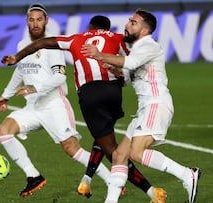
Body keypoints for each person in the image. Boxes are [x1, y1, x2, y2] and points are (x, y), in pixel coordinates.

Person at [2, 15, 166, 202]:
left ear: (90, 27)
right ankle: (87, 179)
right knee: (103, 137)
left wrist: (17, 56)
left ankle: (151, 191)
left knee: (112, 152)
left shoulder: (77, 38)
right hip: (113, 92)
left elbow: (42, 43)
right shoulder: (116, 37)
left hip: (91, 94)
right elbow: (131, 59)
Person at [81, 9, 201, 203]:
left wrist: (101, 55)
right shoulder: (137, 48)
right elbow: (128, 76)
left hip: (156, 104)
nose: (127, 25)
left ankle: (187, 174)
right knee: (119, 155)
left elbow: (131, 62)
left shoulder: (149, 46)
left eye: (133, 23)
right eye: (129, 21)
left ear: (144, 31)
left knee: (136, 152)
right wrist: (117, 71)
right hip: (145, 108)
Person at [0, 4, 111, 198]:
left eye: (39, 19)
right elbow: (20, 70)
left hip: (53, 104)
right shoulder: (22, 46)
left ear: (46, 21)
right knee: (3, 132)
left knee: (72, 149)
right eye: (31, 19)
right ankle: (33, 176)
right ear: (27, 21)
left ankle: (111, 179)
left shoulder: (52, 45)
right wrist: (6, 94)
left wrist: (34, 88)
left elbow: (60, 77)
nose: (35, 23)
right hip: (33, 107)